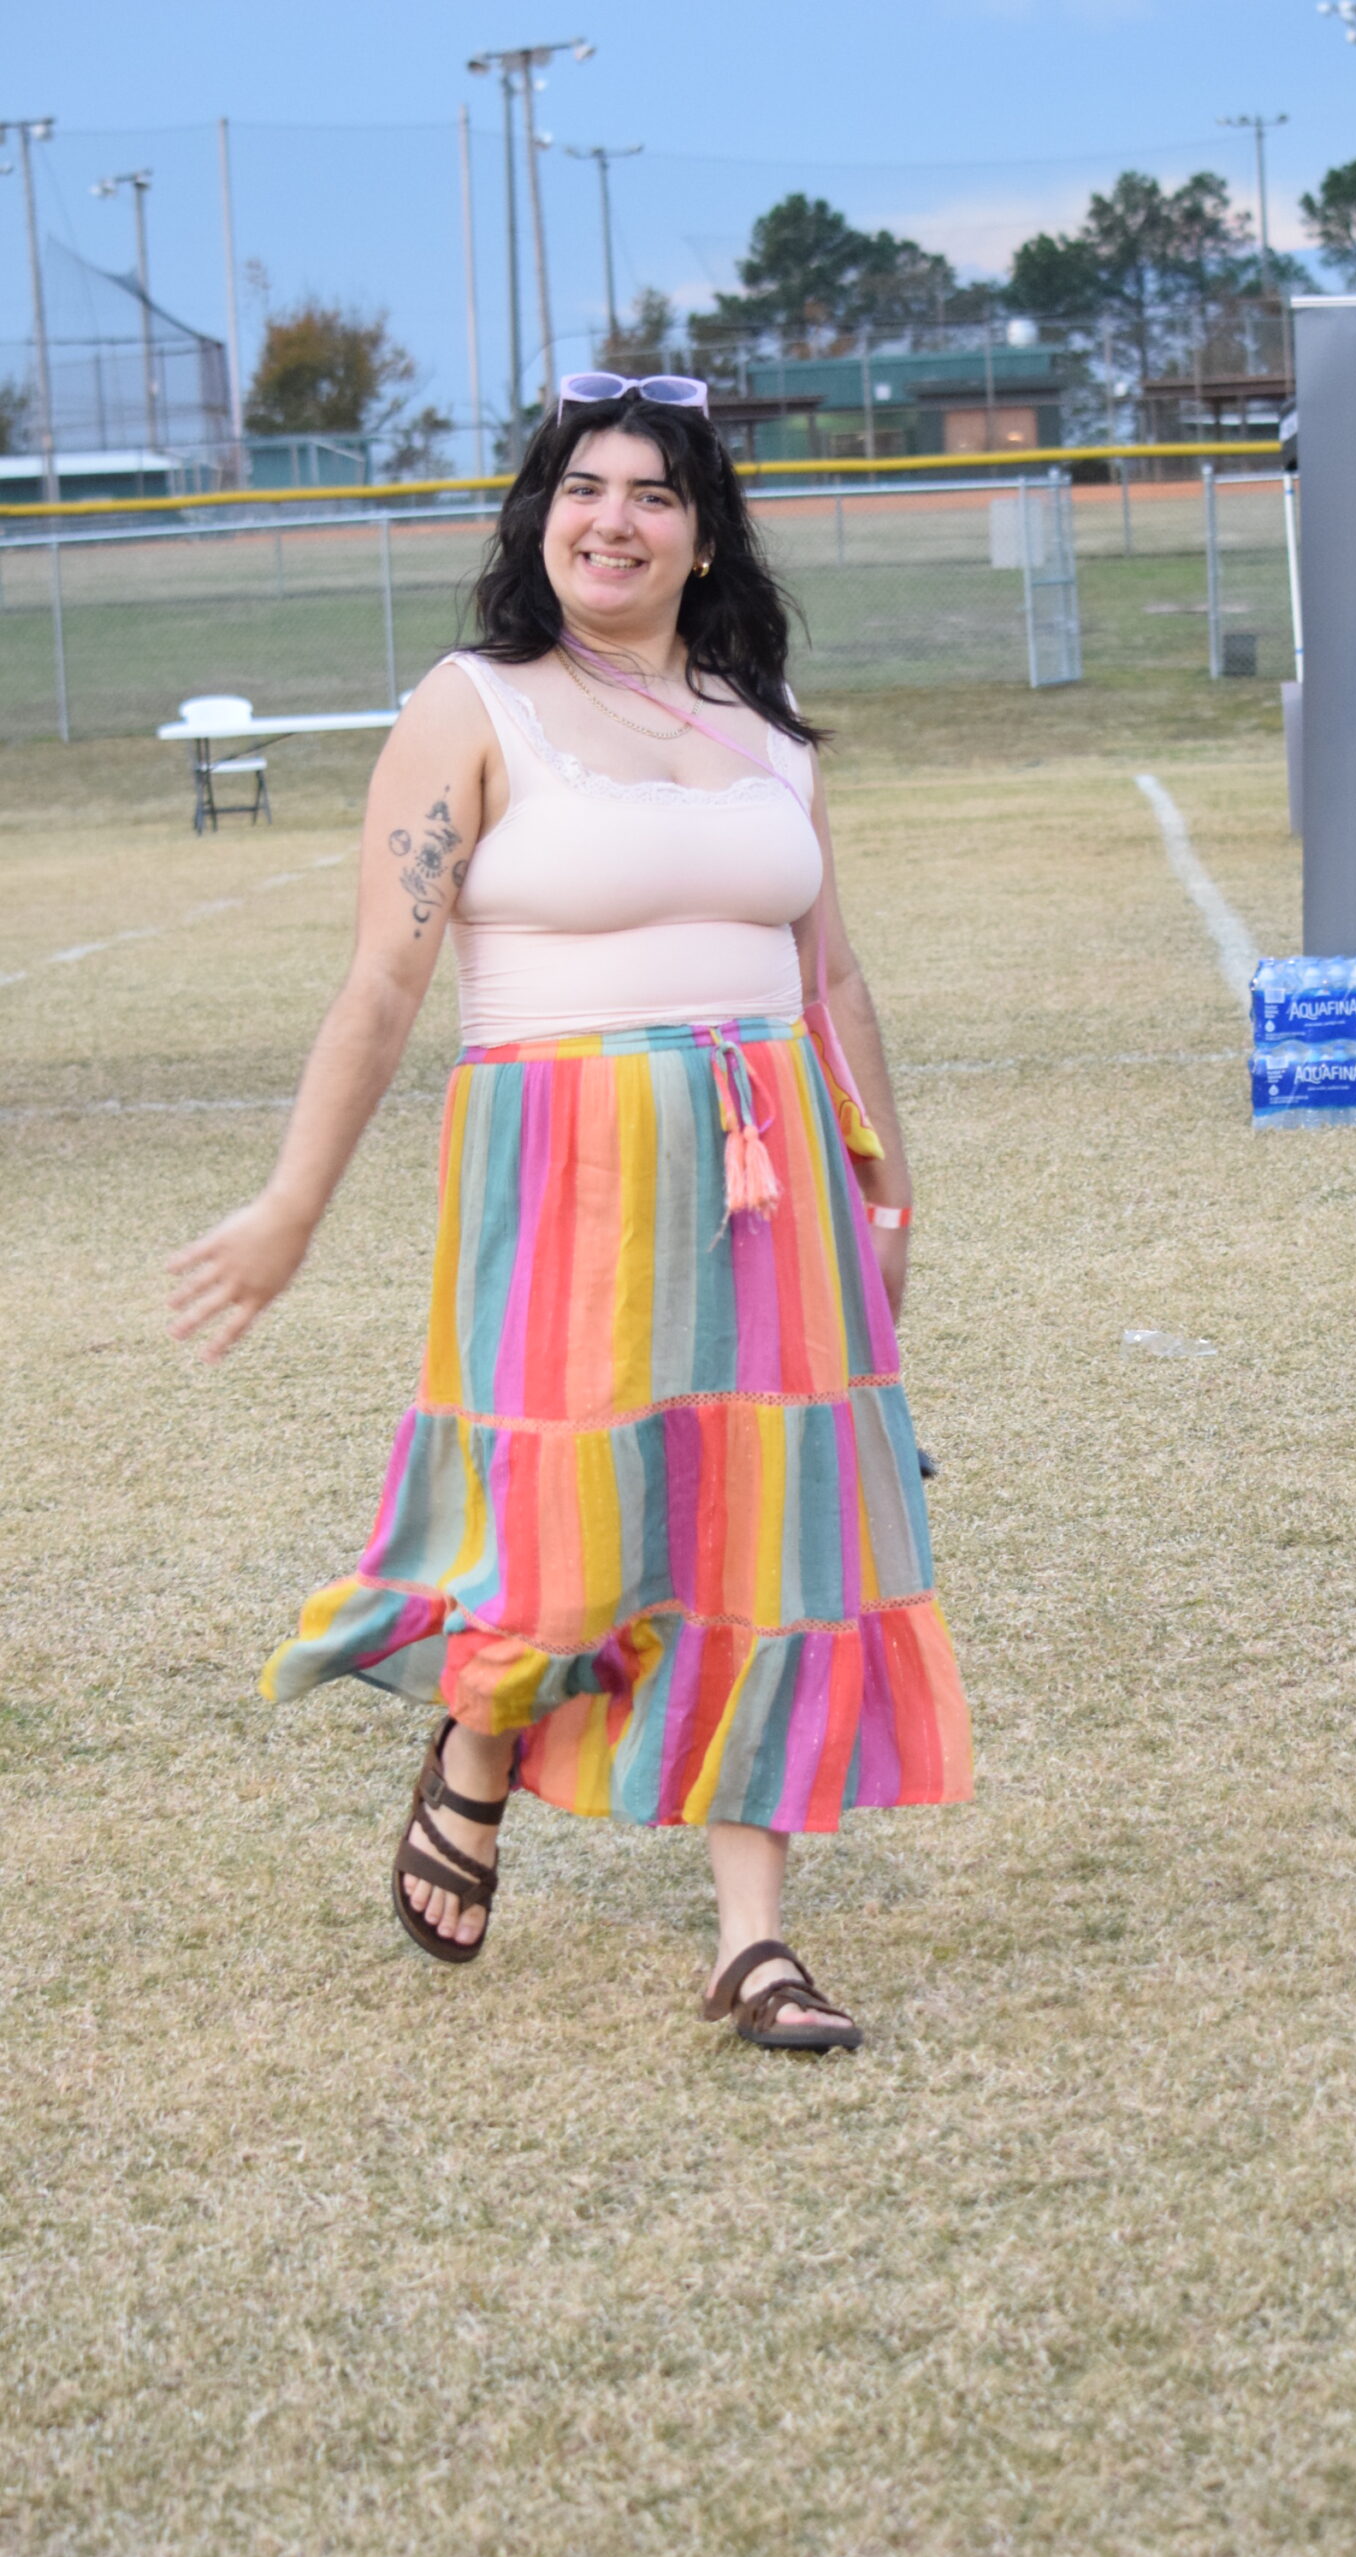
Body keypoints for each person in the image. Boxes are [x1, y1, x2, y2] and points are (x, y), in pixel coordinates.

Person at [167, 375, 972, 2054]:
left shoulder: (763, 725)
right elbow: (383, 986)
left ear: (703, 537)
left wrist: (888, 1187)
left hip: (772, 1178)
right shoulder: (473, 706)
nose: (614, 520)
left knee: (770, 1533)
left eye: (654, 495)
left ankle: (753, 1941)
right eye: (584, 489)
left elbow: (833, 976)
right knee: (565, 1530)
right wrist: (292, 1207)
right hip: (565, 1169)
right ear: (542, 520)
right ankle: (478, 1745)